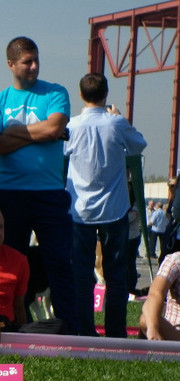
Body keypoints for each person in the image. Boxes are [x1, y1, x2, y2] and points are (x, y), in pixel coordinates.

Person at [0, 36, 76, 333]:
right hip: (10, 194)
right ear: (11, 65)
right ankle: (10, 325)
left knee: (60, 264)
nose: (34, 66)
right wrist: (39, 134)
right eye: (27, 62)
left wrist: (15, 133)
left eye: (36, 60)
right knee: (10, 266)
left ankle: (71, 329)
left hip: (49, 194)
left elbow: (55, 127)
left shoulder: (55, 92)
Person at [64, 73, 147, 338]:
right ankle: (115, 331)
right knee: (116, 276)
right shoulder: (116, 124)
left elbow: (62, 154)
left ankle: (84, 330)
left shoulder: (72, 125)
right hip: (113, 208)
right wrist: (119, 116)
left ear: (81, 95)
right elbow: (138, 146)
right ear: (106, 93)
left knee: (81, 276)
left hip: (79, 210)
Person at [139, 250, 180, 341]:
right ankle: (146, 351)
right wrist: (153, 328)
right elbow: (155, 293)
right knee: (146, 319)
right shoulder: (175, 261)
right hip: (175, 332)